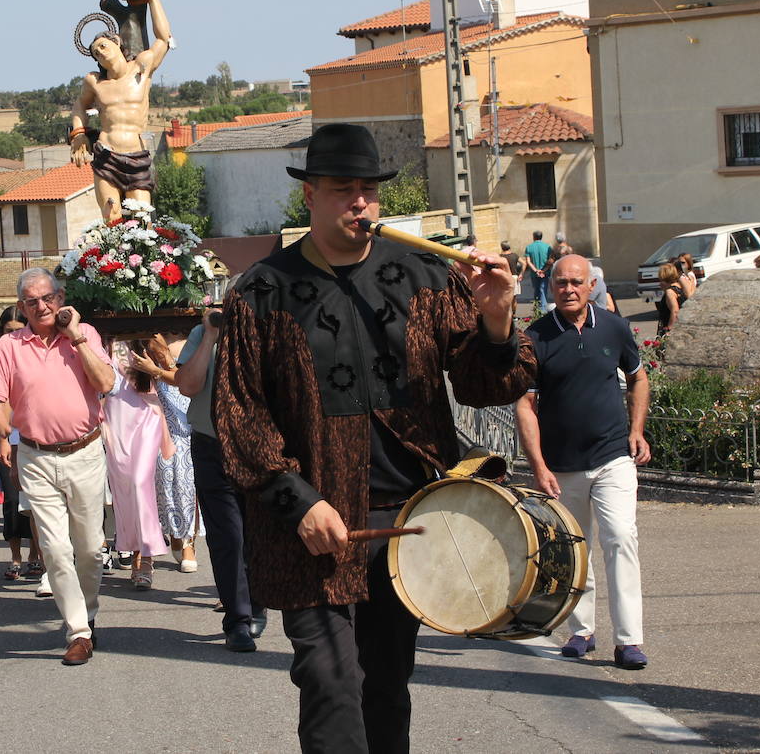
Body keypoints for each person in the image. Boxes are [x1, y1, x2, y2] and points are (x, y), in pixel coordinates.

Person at [215, 123, 535, 752]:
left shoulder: (423, 274)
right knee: (330, 681)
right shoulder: (262, 292)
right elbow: (240, 416)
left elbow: (485, 384)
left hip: (406, 523)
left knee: (387, 685)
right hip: (315, 527)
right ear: (309, 196)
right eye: (342, 189)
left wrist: (497, 320)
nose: (359, 202)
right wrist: (299, 501)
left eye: (368, 190)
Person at [515, 253, 651, 671]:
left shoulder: (615, 327)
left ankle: (629, 641)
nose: (569, 289)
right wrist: (537, 465)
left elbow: (639, 377)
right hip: (562, 468)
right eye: (561, 283)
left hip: (613, 458)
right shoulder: (534, 337)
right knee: (575, 550)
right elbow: (524, 403)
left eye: (577, 282)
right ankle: (581, 631)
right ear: (550, 287)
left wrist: (636, 429)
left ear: (592, 285)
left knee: (621, 539)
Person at [0, 268, 119, 666]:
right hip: (36, 457)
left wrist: (75, 336)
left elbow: (106, 383)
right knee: (57, 550)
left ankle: (88, 614)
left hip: (85, 452)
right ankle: (78, 630)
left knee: (91, 548)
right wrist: (5, 431)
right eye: (31, 301)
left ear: (61, 297)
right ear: (21, 306)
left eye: (48, 298)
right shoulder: (10, 345)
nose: (42, 307)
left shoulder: (85, 335)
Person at [176, 302, 265, 652]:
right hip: (213, 445)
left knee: (257, 533)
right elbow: (187, 385)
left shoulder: (267, 333)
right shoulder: (202, 335)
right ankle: (238, 620)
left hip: (259, 449)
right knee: (228, 537)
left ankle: (257, 602)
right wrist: (210, 336)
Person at [69, 0, 171, 224]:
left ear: (117, 43)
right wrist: (79, 133)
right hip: (107, 154)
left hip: (136, 154)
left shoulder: (142, 67)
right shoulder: (95, 82)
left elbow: (164, 39)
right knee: (111, 216)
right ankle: (111, 263)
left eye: (103, 46)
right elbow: (80, 105)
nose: (100, 52)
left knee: (141, 220)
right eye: (95, 52)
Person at [100, 341, 172, 590]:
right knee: (124, 489)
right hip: (116, 417)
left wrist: (154, 362)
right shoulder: (99, 337)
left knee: (141, 483)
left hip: (146, 415)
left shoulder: (145, 333)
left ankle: (146, 558)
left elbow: (168, 365)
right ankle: (132, 549)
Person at [132, 335, 200, 574]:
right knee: (156, 485)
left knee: (185, 483)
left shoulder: (187, 342)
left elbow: (186, 385)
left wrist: (165, 362)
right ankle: (166, 536)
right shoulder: (142, 349)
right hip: (154, 429)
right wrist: (152, 367)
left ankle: (187, 542)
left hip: (183, 429)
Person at [0, 306, 42, 581]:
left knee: (33, 502)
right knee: (11, 499)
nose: (11, 335)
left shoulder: (32, 355)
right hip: (8, 437)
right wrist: (2, 439)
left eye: (16, 330)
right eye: (7, 331)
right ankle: (15, 556)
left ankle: (35, 555)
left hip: (33, 437)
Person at [521, 230, 553, 311]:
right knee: (543, 290)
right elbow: (550, 261)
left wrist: (536, 271)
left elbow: (528, 261)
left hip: (534, 273)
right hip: (544, 273)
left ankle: (537, 308)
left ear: (533, 237)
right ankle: (543, 310)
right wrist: (543, 271)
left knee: (536, 289)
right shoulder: (547, 247)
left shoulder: (529, 247)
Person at [655, 262, 687, 336]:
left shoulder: (670, 292)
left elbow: (675, 311)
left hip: (671, 329)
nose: (659, 283)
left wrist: (669, 329)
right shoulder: (679, 287)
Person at [499, 240, 521, 313]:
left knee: (504, 297)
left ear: (502, 247)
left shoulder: (500, 257)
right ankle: (514, 315)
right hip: (514, 277)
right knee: (514, 299)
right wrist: (521, 274)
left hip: (504, 277)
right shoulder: (514, 255)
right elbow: (524, 263)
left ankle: (507, 314)